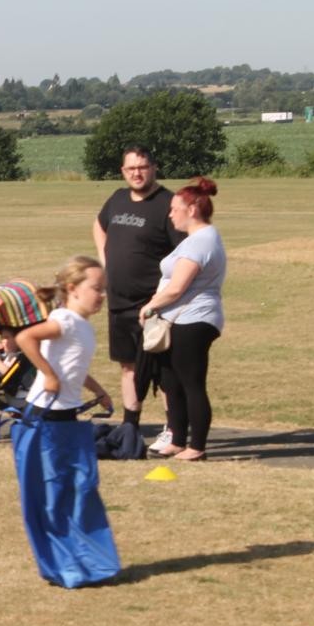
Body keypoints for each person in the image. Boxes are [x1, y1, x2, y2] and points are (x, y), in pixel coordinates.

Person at [13, 256, 117, 588]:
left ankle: (84, 561)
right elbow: (25, 338)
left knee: (79, 491)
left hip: (67, 420)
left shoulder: (82, 325)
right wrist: (47, 374)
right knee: (56, 496)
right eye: (96, 288)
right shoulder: (65, 321)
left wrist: (98, 390)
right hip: (46, 421)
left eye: (104, 289)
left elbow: (74, 365)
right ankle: (65, 565)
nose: (102, 295)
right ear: (72, 289)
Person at [92, 146, 182, 450]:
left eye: (142, 167)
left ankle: (174, 429)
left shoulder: (168, 203)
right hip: (119, 301)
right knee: (128, 366)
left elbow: (184, 252)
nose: (137, 173)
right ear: (123, 171)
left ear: (154, 168)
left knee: (163, 370)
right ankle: (130, 426)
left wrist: (163, 295)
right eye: (131, 168)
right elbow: (99, 225)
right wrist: (105, 258)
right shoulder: (117, 198)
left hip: (153, 304)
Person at [138, 178, 226, 462]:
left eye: (175, 209)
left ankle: (196, 447)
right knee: (171, 380)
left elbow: (177, 288)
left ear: (192, 209)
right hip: (178, 319)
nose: (170, 214)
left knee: (191, 382)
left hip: (193, 320)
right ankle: (177, 440)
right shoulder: (197, 239)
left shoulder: (200, 242)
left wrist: (150, 307)